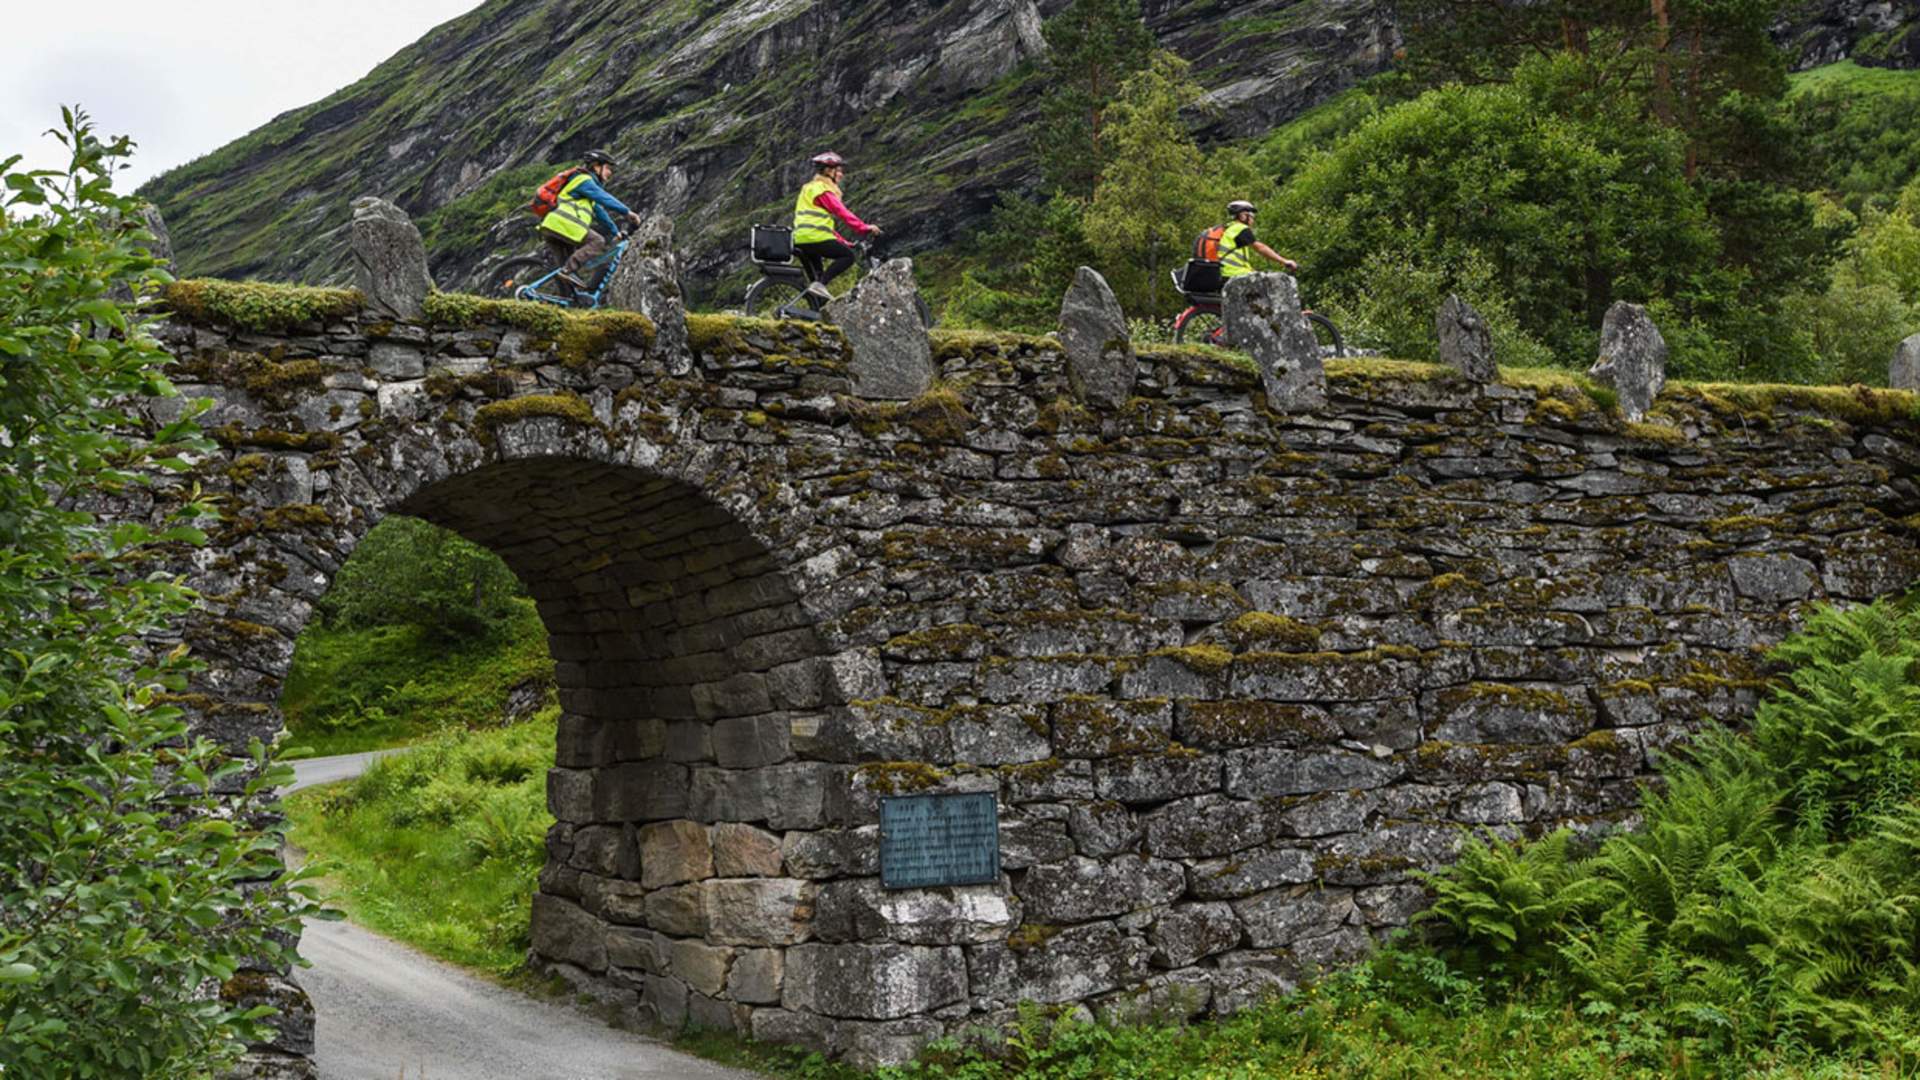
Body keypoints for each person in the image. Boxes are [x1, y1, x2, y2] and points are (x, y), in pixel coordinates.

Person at [539, 149, 643, 291]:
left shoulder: (585, 190)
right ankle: (567, 271)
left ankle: (567, 302)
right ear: (596, 166)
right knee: (597, 241)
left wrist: (615, 232)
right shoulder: (584, 180)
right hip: (564, 224)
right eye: (607, 168)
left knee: (567, 278)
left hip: (553, 227)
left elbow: (600, 213)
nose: (610, 173)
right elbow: (604, 198)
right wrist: (628, 212)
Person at [792, 151, 880, 305]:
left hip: (801, 238)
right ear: (828, 171)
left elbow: (822, 226)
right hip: (814, 237)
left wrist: (845, 242)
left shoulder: (808, 188)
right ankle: (820, 285)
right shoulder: (823, 190)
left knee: (817, 284)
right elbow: (842, 212)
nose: (841, 175)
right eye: (838, 171)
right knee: (848, 257)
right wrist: (864, 228)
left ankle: (816, 317)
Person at [1210, 200, 1297, 279]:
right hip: (1234, 272)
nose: (1252, 220)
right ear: (1242, 216)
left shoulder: (1228, 227)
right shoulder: (1241, 228)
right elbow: (1260, 248)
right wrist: (1284, 261)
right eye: (1251, 216)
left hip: (1222, 272)